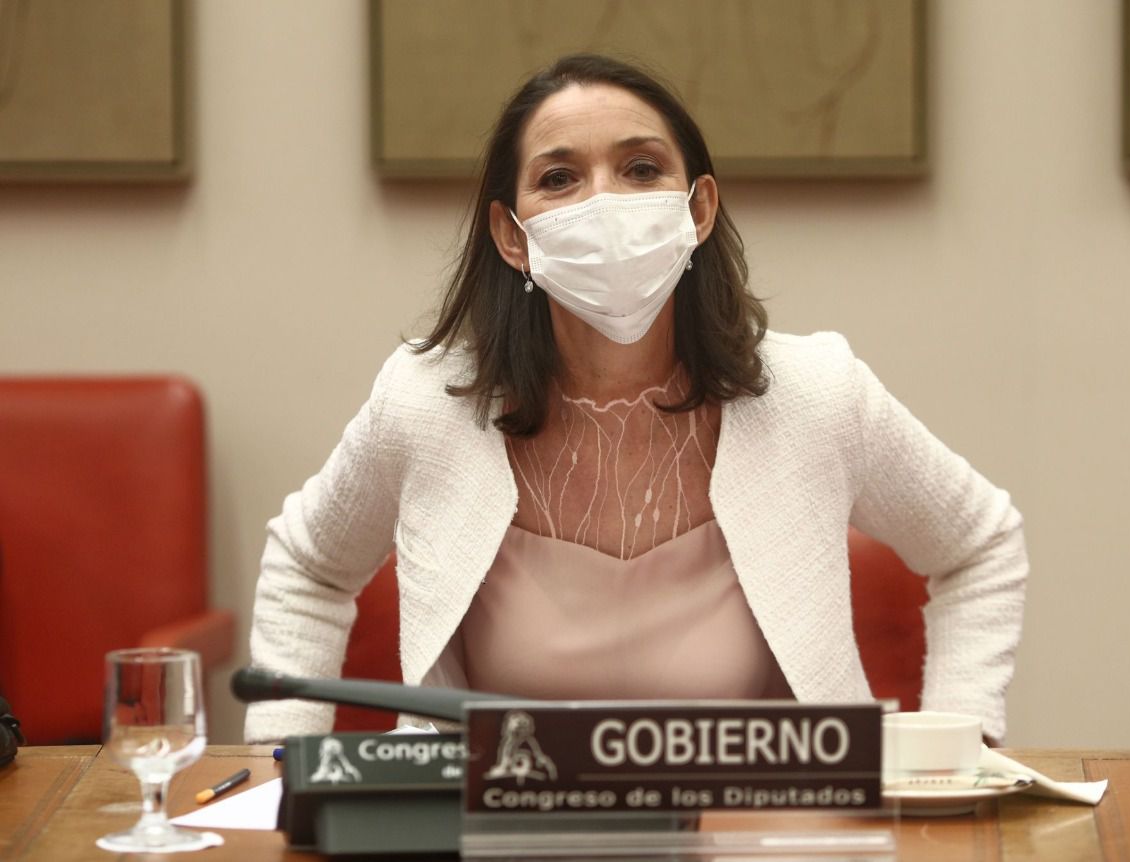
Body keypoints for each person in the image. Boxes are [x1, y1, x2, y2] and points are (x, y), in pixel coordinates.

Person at [244, 54, 1027, 744]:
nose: (605, 204)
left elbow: (978, 544)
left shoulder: (818, 394)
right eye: (560, 178)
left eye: (642, 169)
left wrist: (962, 751)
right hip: (499, 833)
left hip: (767, 832)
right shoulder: (424, 404)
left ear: (699, 209)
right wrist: (276, 766)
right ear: (512, 237)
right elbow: (309, 567)